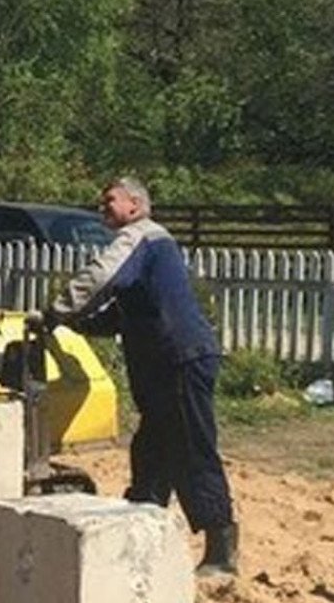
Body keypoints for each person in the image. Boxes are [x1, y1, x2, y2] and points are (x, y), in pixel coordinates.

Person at [45, 176, 239, 577]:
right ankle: (141, 535)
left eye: (109, 200)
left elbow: (102, 277)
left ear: (135, 205)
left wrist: (56, 312)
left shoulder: (141, 237)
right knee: (152, 449)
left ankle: (221, 549)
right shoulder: (153, 247)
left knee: (190, 447)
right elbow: (128, 309)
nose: (102, 206)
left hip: (178, 357)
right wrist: (81, 325)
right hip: (168, 359)